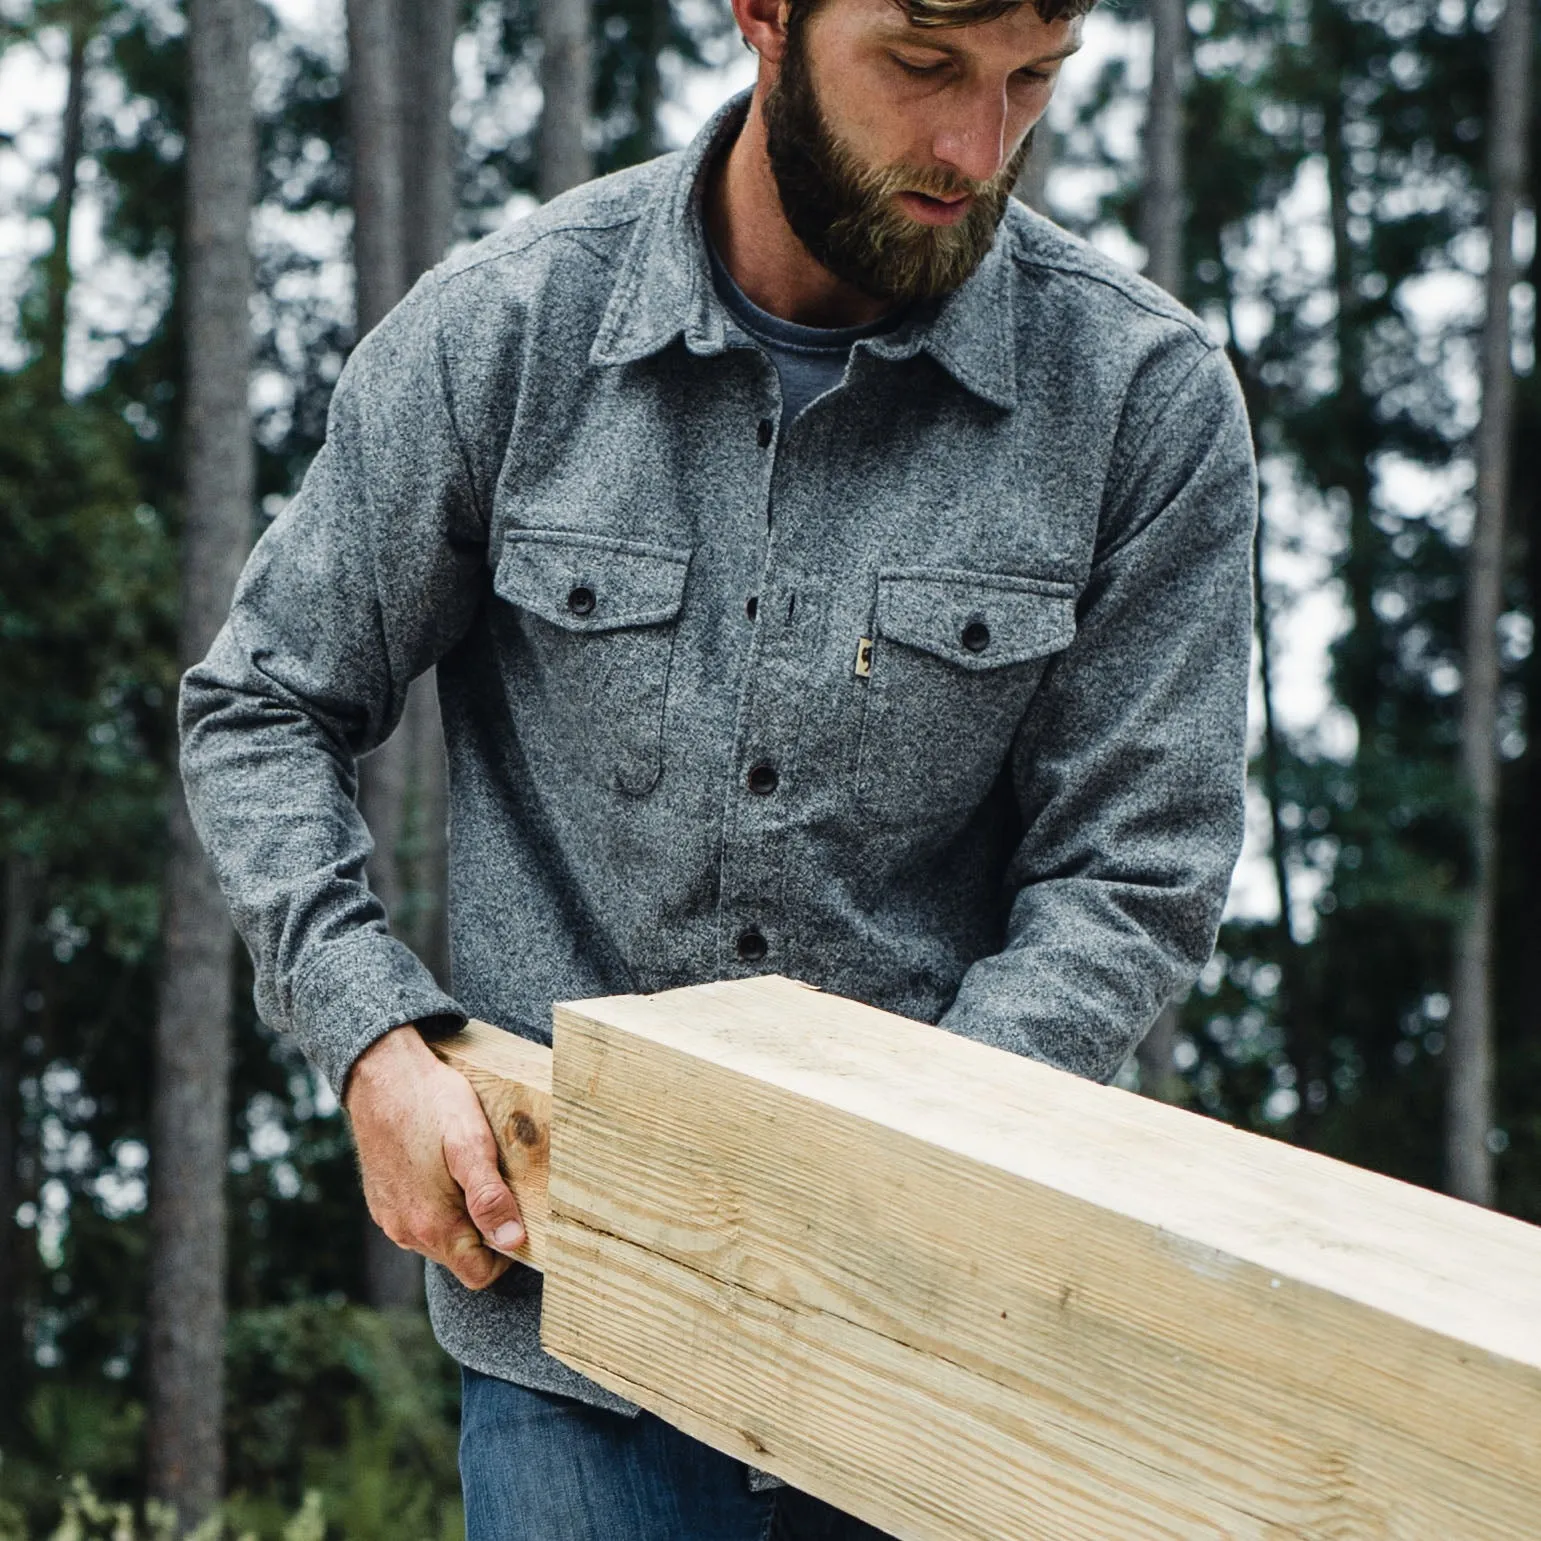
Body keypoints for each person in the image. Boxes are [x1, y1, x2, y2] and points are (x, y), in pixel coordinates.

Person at [180, 0, 1258, 1534]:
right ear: (766, 13)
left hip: (938, 1343)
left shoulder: (1143, 399)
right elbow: (262, 702)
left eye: (1033, 81)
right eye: (925, 65)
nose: (977, 147)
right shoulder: (505, 329)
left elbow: (1137, 868)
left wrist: (917, 1160)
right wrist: (373, 1043)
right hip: (575, 1344)